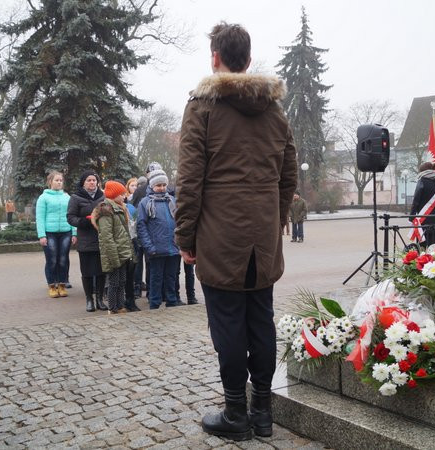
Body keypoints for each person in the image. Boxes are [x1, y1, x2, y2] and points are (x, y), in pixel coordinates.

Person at [174, 22, 297, 441]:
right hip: (262, 239)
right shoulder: (276, 112)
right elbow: (288, 177)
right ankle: (262, 413)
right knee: (261, 321)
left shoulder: (203, 106)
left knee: (227, 324)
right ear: (247, 59)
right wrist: (274, 220)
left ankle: (236, 414)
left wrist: (185, 238)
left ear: (216, 58)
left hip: (219, 236)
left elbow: (190, 179)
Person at [137, 169, 181, 309]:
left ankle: (172, 302)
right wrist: (149, 247)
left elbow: (179, 221)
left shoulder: (172, 201)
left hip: (173, 248)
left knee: (171, 278)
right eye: (158, 185)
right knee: (156, 279)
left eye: (163, 185)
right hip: (156, 249)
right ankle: (154, 305)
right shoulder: (145, 203)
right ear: (152, 186)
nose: (161, 188)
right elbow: (141, 226)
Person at [67, 170, 107, 312]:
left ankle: (100, 299)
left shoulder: (103, 196)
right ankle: (89, 299)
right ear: (83, 182)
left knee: (102, 271)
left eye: (94, 180)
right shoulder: (76, 197)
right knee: (87, 272)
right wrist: (85, 221)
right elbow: (70, 217)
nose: (92, 182)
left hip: (101, 238)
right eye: (89, 180)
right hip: (85, 239)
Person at [93, 181, 134, 315]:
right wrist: (114, 257)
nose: (124, 197)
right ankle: (113, 307)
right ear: (113, 195)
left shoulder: (119, 208)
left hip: (122, 252)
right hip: (114, 254)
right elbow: (107, 237)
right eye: (121, 194)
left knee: (122, 281)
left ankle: (120, 305)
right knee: (114, 282)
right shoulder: (106, 210)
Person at [35, 171, 77, 299]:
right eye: (56, 180)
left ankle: (62, 284)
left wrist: (74, 233)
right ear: (50, 182)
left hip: (66, 232)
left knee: (63, 259)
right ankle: (52, 286)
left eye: (61, 180)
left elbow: (72, 215)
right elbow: (40, 218)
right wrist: (42, 235)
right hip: (50, 233)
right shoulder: (43, 197)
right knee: (52, 260)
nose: (59, 182)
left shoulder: (67, 197)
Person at [408, 162, 435, 247]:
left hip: (423, 219)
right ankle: (434, 259)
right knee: (434, 245)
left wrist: (412, 216)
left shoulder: (422, 181)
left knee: (422, 245)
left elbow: (416, 200)